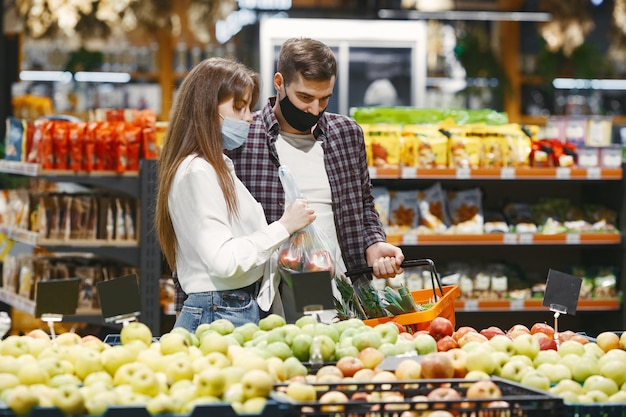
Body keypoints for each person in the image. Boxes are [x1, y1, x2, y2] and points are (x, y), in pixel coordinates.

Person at [229, 37, 405, 321]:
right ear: (279, 82)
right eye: (305, 97)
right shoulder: (245, 139)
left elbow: (363, 205)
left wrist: (373, 244)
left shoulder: (346, 134)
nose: (314, 109)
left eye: (324, 99)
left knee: (330, 358)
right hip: (265, 296)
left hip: (340, 292)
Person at [155, 57, 316, 332]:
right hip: (221, 310)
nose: (249, 118)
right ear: (205, 109)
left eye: (249, 108)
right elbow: (225, 261)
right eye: (239, 108)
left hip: (230, 306)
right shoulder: (198, 172)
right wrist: (283, 226)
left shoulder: (218, 167)